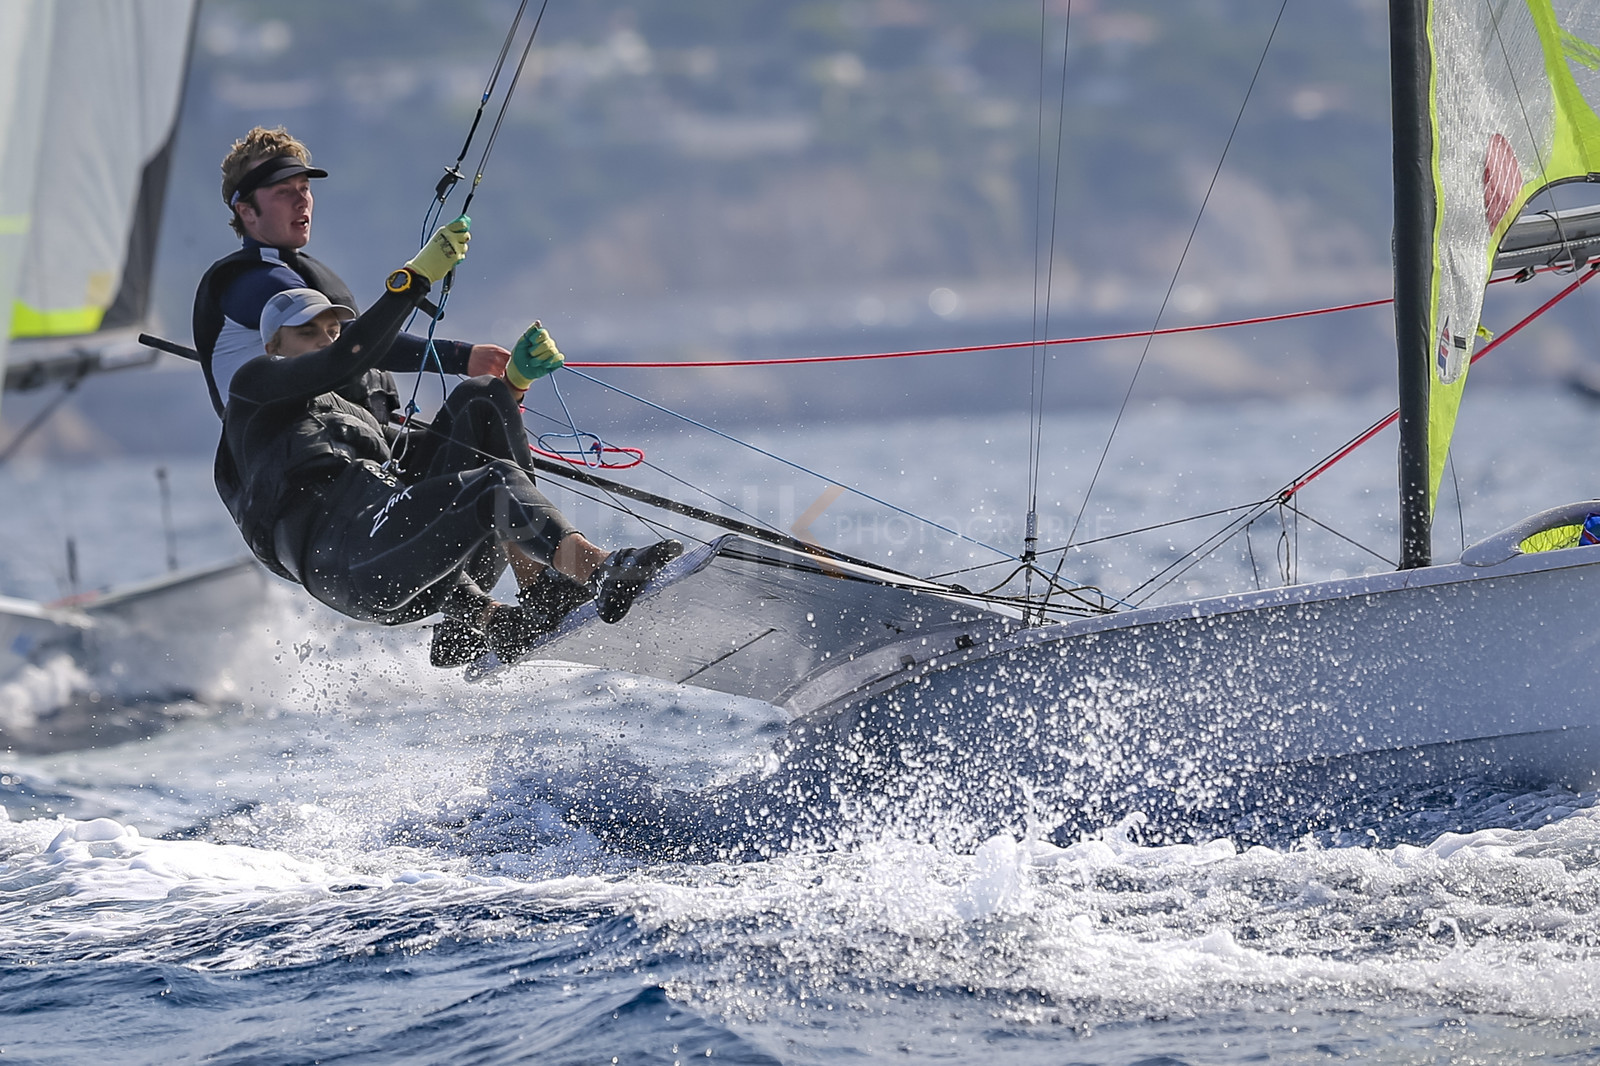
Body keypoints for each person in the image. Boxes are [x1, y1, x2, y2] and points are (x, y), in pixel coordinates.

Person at [216, 215, 682, 667]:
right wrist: (414, 280)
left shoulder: (352, 416)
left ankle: (511, 607)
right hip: (347, 566)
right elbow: (339, 362)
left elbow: (443, 454)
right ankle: (601, 571)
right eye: (307, 332)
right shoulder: (254, 387)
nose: (325, 340)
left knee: (481, 399)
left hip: (406, 557)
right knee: (491, 486)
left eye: (333, 330)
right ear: (274, 346)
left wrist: (512, 386)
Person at [193, 125, 510, 417]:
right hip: (291, 457)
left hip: (346, 437)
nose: (301, 200)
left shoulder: (300, 271)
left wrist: (506, 377)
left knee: (482, 412)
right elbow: (350, 346)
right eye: (282, 192)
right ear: (247, 211)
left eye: (304, 188)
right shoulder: (253, 284)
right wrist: (460, 356)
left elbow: (359, 343)